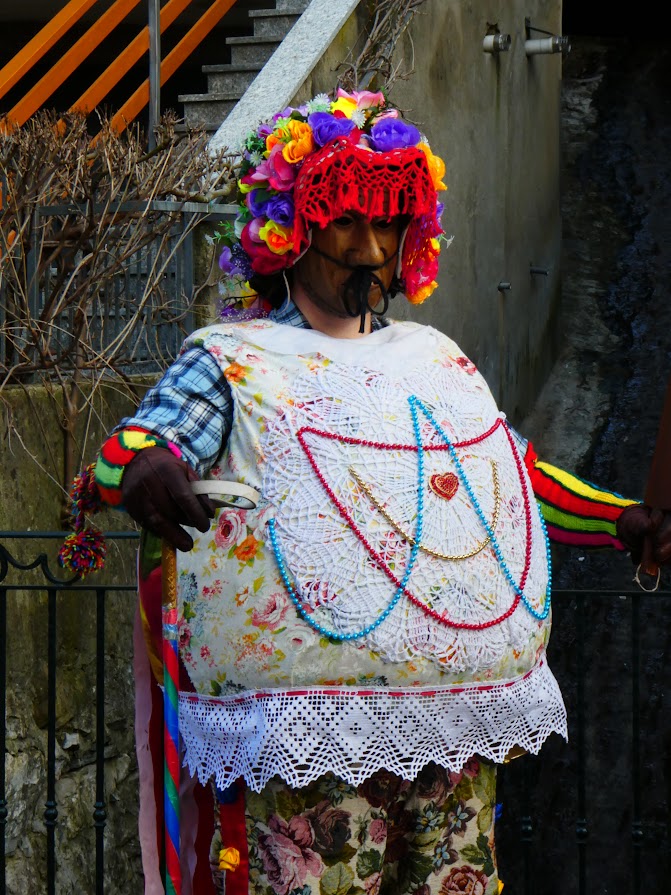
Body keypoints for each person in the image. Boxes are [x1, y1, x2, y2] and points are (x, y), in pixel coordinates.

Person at [65, 88, 671, 895]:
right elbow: (139, 443)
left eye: (387, 224)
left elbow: (510, 473)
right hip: (302, 742)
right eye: (345, 221)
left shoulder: (434, 358)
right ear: (292, 227)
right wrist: (140, 464)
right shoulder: (233, 359)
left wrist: (618, 518)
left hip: (453, 732)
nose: (369, 247)